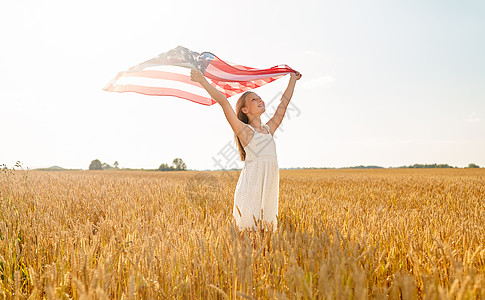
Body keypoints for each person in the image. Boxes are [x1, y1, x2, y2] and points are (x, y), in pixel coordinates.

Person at [190, 68, 301, 231]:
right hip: (252, 188)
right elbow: (223, 102)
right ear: (245, 110)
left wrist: (292, 79)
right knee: (249, 231)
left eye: (259, 98)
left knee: (267, 230)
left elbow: (283, 104)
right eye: (254, 100)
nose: (260, 100)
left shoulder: (269, 129)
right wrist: (202, 80)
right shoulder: (245, 131)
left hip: (269, 187)